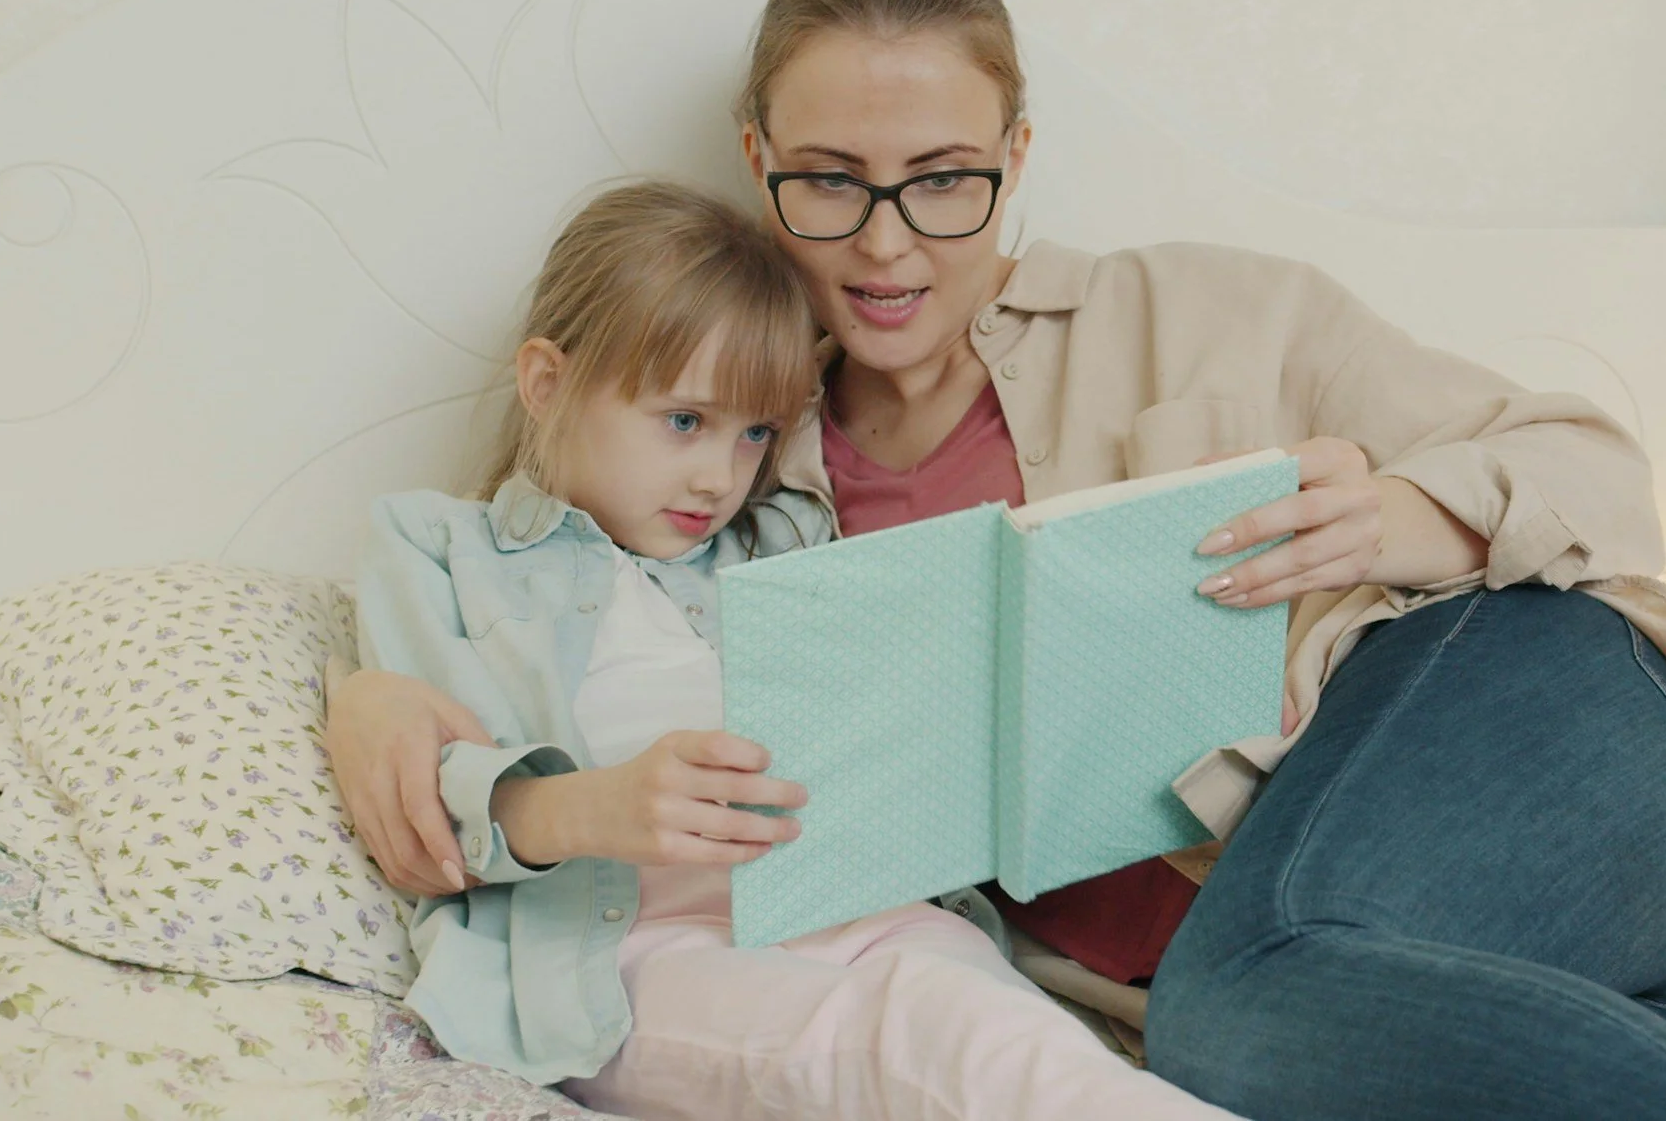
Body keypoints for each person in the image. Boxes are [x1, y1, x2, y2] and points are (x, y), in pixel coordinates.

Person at [329, 0, 1666, 1120]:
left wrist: (1403, 513)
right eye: (831, 183)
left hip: (1546, 726)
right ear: (759, 160)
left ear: (1018, 157)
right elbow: (541, 580)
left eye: (946, 182)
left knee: (1242, 1006)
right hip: (1400, 963)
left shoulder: (1211, 313)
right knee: (1244, 1030)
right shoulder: (733, 470)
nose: (890, 240)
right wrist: (369, 694)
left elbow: (1598, 466)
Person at [354, 181, 1235, 1119]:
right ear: (548, 383)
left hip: (863, 915)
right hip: (626, 955)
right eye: (685, 421)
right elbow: (422, 808)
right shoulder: (440, 550)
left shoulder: (782, 542)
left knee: (1025, 1051)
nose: (717, 475)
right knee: (911, 1042)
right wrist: (592, 807)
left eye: (756, 434)